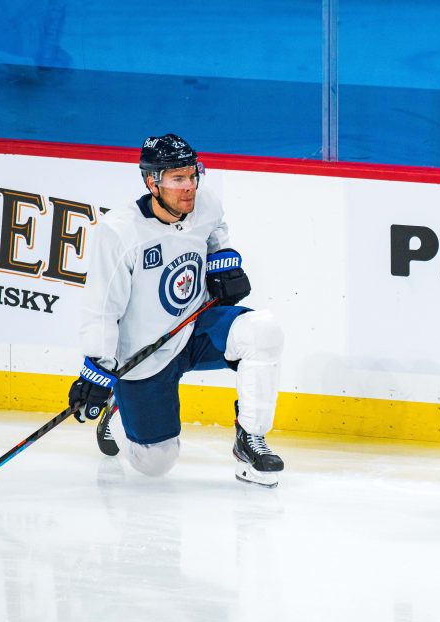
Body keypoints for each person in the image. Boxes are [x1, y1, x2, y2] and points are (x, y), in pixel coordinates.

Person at [68, 133, 285, 487]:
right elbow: (102, 309)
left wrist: (222, 261)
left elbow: (215, 231)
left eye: (192, 175)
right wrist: (98, 368)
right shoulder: (120, 232)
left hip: (195, 327)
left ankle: (250, 440)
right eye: (177, 178)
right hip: (143, 352)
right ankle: (118, 414)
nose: (189, 187)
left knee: (263, 331)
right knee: (156, 463)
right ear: (152, 183)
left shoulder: (205, 203)